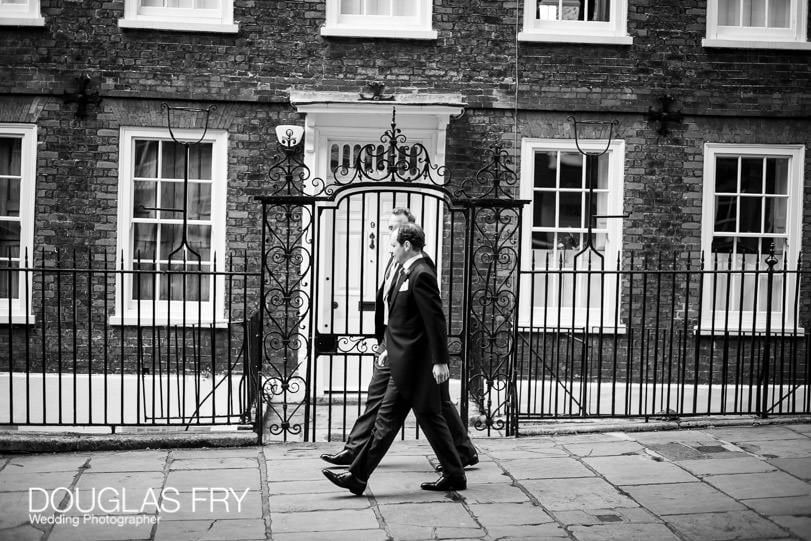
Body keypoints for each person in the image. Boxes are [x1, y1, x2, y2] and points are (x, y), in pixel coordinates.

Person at [320, 208, 477, 471]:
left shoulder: (420, 265)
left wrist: (439, 359)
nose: (388, 236)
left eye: (394, 229)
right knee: (383, 400)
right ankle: (355, 452)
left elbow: (431, 317)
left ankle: (459, 455)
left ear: (409, 234)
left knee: (430, 407)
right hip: (393, 341)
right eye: (388, 227)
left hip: (411, 348)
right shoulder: (396, 260)